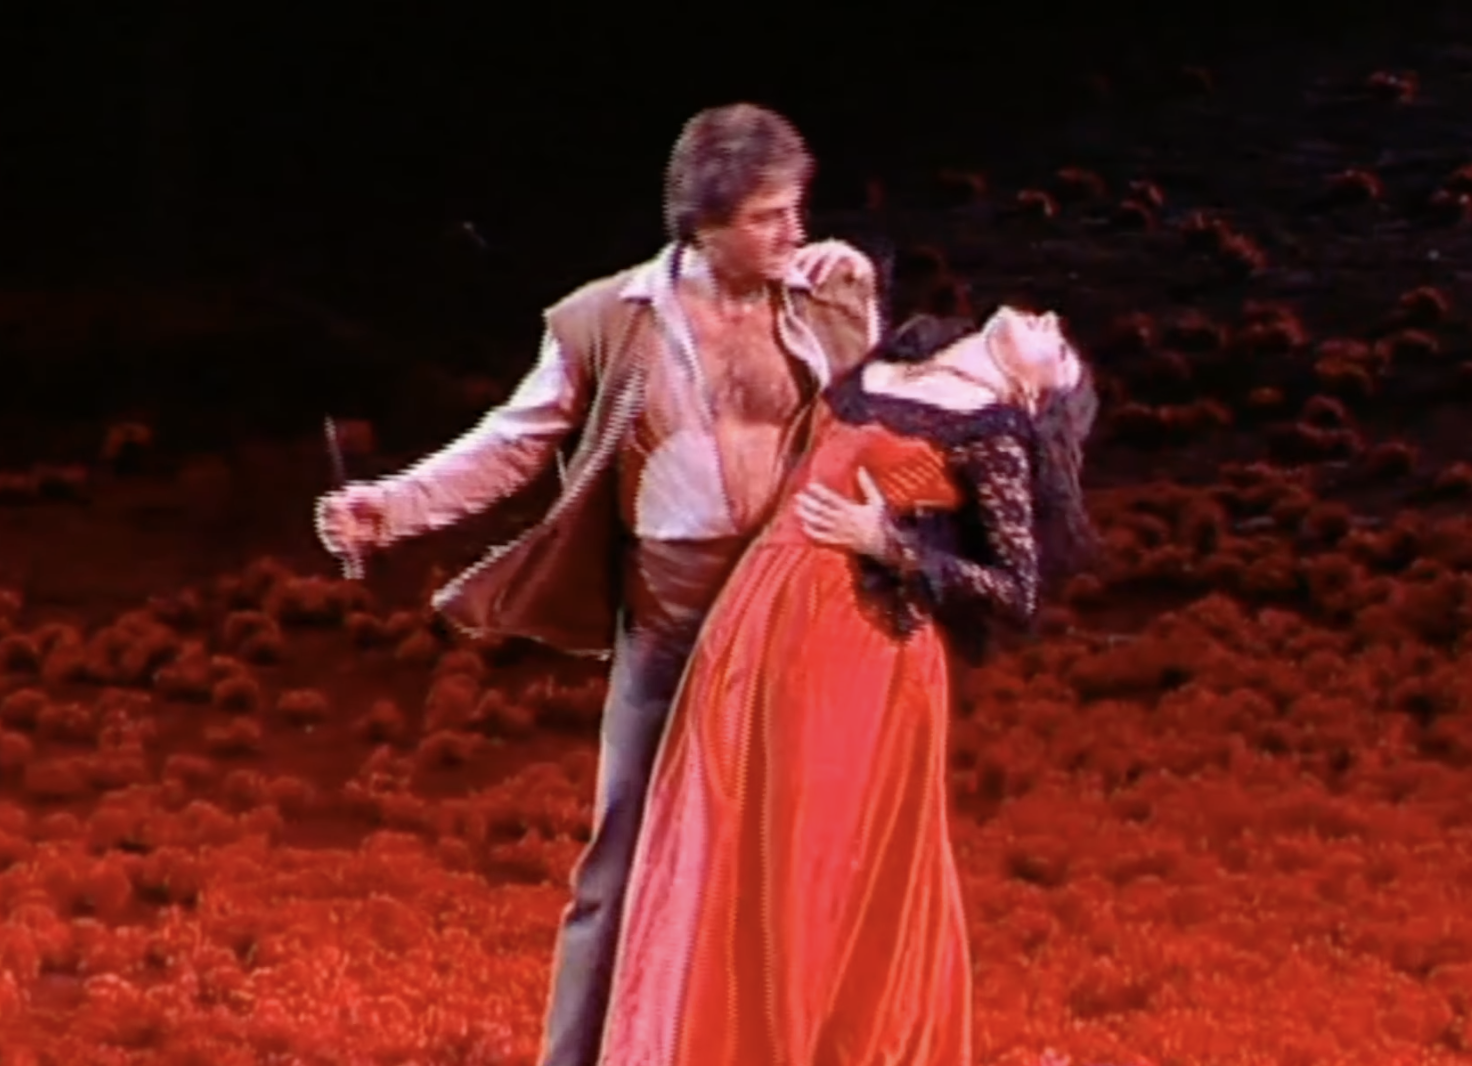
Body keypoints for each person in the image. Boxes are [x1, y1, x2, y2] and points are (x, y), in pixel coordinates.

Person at [313, 103, 883, 1066]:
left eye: (797, 210)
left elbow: (874, 427)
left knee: (794, 855)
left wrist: (860, 303)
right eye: (767, 218)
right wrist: (395, 506)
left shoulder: (821, 300)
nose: (795, 232)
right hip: (672, 614)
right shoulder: (608, 319)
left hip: (789, 612)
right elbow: (514, 441)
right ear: (703, 224)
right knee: (623, 858)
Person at [594, 305, 1098, 1066]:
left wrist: (889, 543)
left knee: (804, 860)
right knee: (724, 836)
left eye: (1059, 349)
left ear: (1034, 395)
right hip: (758, 622)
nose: (1054, 319)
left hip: (853, 653)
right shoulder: (886, 369)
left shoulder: (991, 429)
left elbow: (1016, 589)